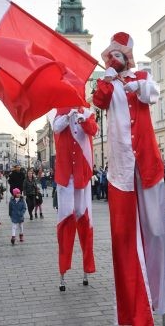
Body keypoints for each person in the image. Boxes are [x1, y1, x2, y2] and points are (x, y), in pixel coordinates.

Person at [93, 31, 165, 324]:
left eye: (121, 54)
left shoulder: (142, 75)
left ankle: (160, 297)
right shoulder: (107, 83)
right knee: (124, 237)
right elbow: (100, 101)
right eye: (112, 54)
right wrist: (108, 76)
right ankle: (131, 310)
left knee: (155, 230)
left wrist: (135, 80)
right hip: (122, 170)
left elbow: (151, 92)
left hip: (148, 163)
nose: (118, 59)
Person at [52, 106, 97, 291]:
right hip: (65, 177)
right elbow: (56, 128)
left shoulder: (86, 111)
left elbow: (94, 129)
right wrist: (68, 115)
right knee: (65, 222)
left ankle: (87, 267)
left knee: (84, 220)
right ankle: (63, 270)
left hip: (82, 175)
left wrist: (82, 119)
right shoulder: (59, 113)